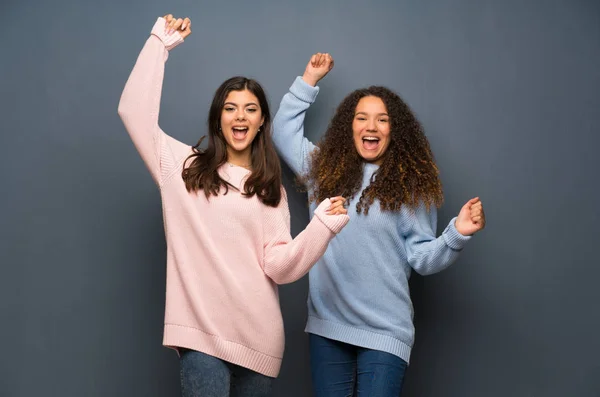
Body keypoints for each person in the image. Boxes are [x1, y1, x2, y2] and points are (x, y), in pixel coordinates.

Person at [117, 17, 349, 397]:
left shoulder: (270, 189)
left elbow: (279, 265)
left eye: (250, 109)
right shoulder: (182, 167)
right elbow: (133, 113)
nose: (240, 115)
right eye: (230, 108)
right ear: (219, 119)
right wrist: (160, 43)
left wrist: (320, 227)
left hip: (259, 341)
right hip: (200, 335)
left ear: (261, 123)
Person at [272, 53, 486, 396]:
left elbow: (422, 258)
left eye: (382, 120)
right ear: (349, 126)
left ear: (394, 130)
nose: (371, 126)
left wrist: (456, 234)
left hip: (386, 333)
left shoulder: (409, 187)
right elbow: (282, 132)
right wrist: (308, 79)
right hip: (328, 329)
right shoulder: (322, 170)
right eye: (362, 118)